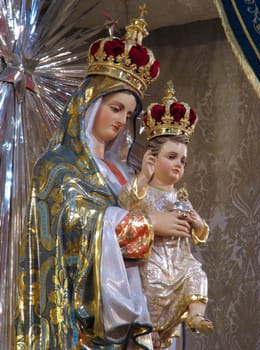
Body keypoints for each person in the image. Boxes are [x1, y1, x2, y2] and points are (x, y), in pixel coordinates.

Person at [15, 8, 192, 350]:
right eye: (115, 108)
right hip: (82, 325)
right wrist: (148, 224)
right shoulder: (57, 166)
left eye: (129, 114)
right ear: (89, 105)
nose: (122, 121)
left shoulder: (127, 173)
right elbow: (75, 229)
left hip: (141, 314)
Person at [118, 81, 214, 349]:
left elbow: (201, 232)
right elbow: (128, 202)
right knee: (154, 290)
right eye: (171, 157)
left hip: (180, 262)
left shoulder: (180, 197)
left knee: (197, 273)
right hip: (154, 264)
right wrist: (143, 177)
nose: (178, 165)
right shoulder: (143, 190)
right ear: (152, 158)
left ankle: (196, 316)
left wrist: (197, 223)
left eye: (182, 160)